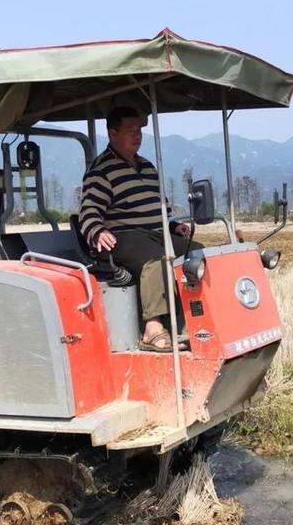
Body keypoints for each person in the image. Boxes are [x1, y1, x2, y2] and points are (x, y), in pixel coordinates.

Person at [79, 106, 202, 353]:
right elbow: (89, 212)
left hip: (155, 234)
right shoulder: (101, 170)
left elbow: (159, 212)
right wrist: (97, 231)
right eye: (130, 130)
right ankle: (152, 327)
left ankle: (195, 319)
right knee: (156, 258)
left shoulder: (147, 168)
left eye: (139, 131)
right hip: (121, 238)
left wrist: (175, 226)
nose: (137, 135)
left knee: (197, 252)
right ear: (112, 133)